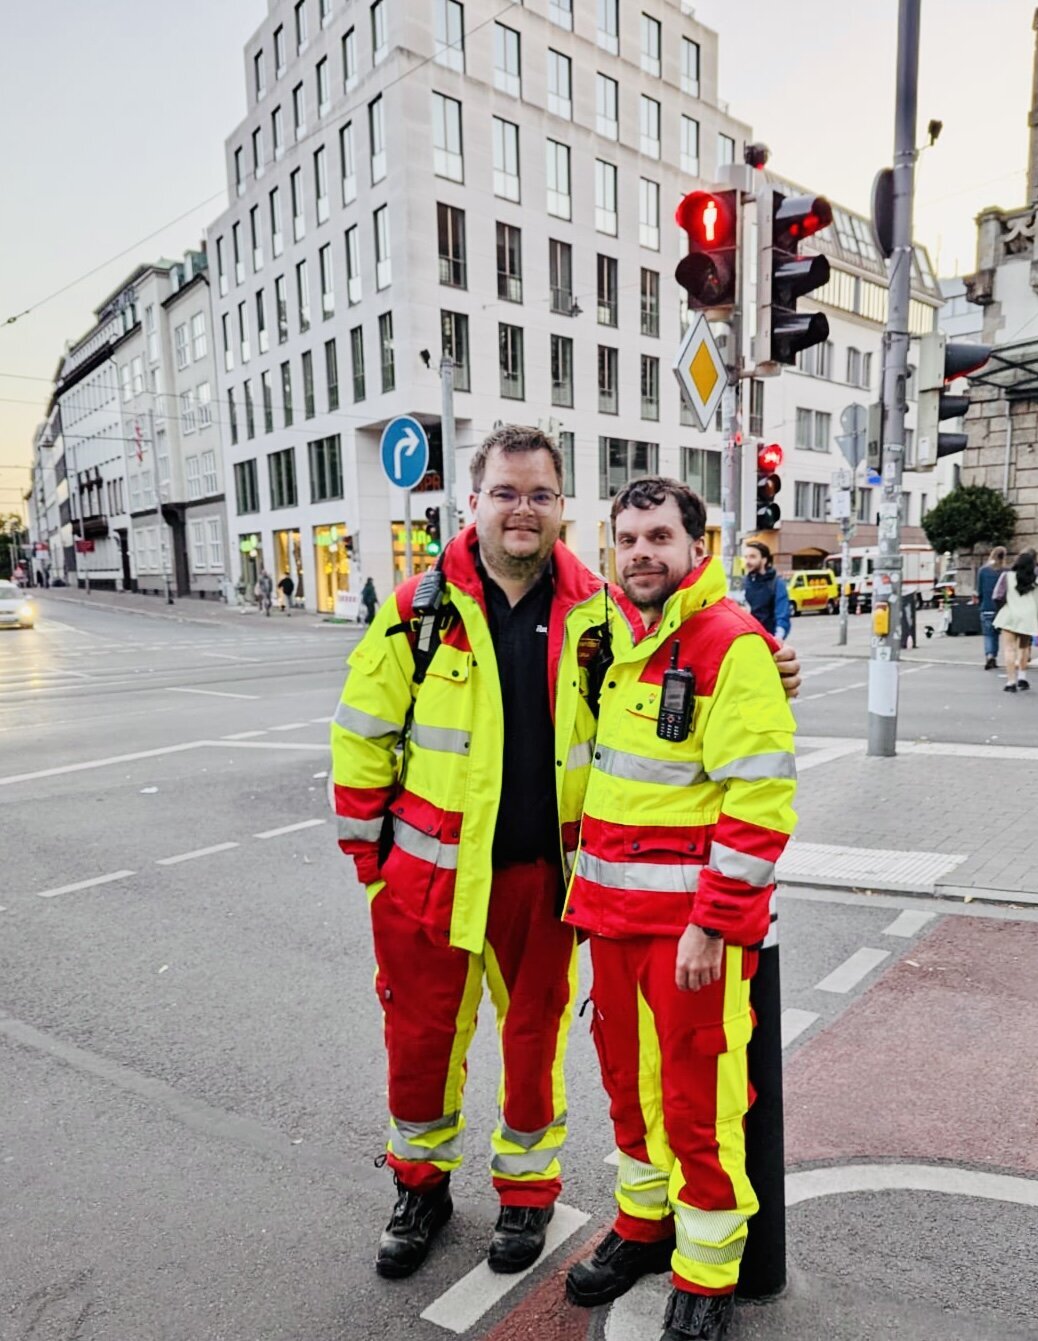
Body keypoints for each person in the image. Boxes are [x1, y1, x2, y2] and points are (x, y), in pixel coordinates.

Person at [331, 426, 804, 1284]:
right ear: (474, 501)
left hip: (547, 879)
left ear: (560, 509)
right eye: (506, 492)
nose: (523, 509)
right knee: (419, 1042)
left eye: (541, 495)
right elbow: (361, 736)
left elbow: (684, 648)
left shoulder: (602, 613)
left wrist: (768, 661)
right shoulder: (416, 609)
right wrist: (372, 867)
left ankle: (526, 1193)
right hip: (427, 880)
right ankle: (419, 1187)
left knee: (533, 1043)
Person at [564, 478, 796, 1341]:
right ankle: (642, 1223)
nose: (641, 553)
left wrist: (713, 923)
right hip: (612, 922)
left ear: (698, 547)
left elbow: (759, 800)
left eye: (659, 537)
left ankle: (706, 1273)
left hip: (689, 936)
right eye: (627, 539)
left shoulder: (729, 644)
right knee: (629, 1090)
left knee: (701, 1103)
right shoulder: (607, 634)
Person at [993, 547, 1038, 693]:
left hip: (1010, 615)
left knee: (1009, 649)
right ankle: (1022, 678)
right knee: (1024, 648)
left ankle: (1011, 681)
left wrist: (1002, 607)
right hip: (1028, 618)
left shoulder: (1007, 577)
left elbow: (997, 596)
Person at [741, 540, 790, 640]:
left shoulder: (776, 583)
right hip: (744, 638)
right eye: (746, 557)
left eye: (752, 557)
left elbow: (782, 614)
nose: (747, 561)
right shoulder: (742, 582)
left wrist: (778, 638)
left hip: (767, 639)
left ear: (764, 560)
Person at [975, 546, 1008, 670]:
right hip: (1002, 609)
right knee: (1001, 635)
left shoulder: (983, 571)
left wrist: (980, 604)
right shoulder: (1007, 571)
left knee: (989, 634)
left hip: (986, 607)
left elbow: (979, 591)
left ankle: (990, 655)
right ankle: (1003, 656)